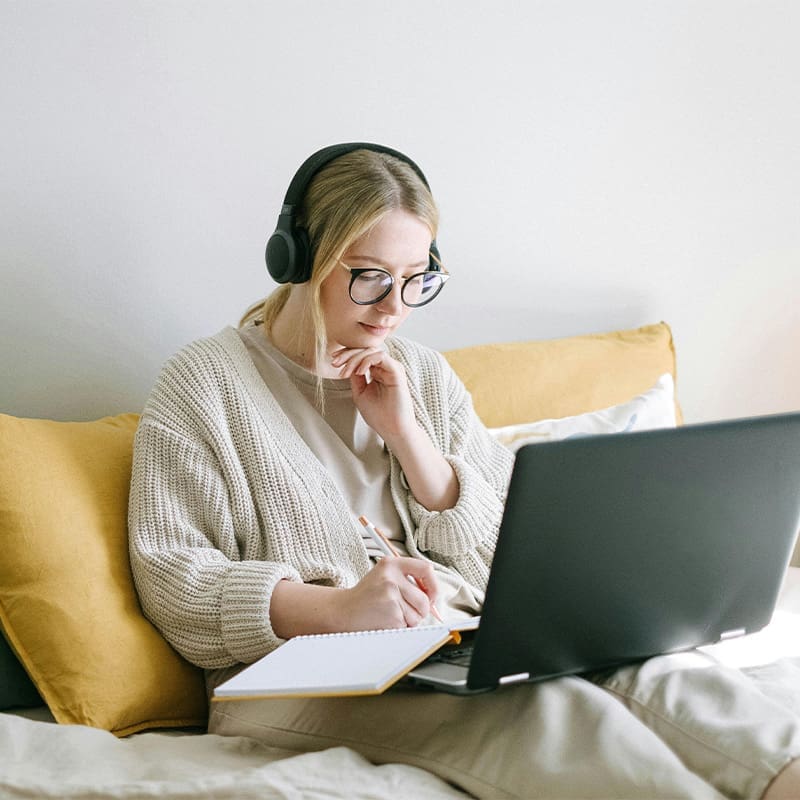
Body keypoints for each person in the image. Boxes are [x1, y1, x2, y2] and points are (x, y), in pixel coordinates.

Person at [128, 143, 800, 800]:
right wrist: (338, 609)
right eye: (368, 276)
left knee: (676, 680)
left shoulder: (420, 373)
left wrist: (410, 438)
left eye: (415, 279)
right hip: (289, 679)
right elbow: (176, 580)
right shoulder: (204, 385)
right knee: (559, 719)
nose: (394, 307)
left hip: (458, 642)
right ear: (300, 259)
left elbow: (512, 545)